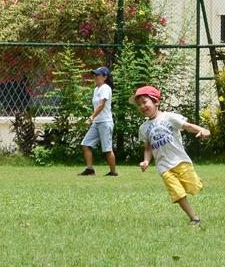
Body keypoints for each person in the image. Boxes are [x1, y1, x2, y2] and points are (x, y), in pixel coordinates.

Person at [135, 85, 210, 225]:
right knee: (178, 193)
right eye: (139, 104)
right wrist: (146, 161)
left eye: (144, 102)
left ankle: (198, 182)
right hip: (163, 166)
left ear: (156, 102)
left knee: (193, 187)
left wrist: (202, 130)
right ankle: (194, 218)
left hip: (180, 160)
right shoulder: (143, 128)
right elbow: (147, 147)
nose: (142, 106)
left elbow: (187, 126)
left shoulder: (169, 117)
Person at [78, 66, 117, 176]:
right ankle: (90, 170)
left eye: (98, 75)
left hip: (105, 122)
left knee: (107, 149)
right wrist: (94, 119)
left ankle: (113, 172)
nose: (95, 77)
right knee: (85, 144)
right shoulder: (96, 89)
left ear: (105, 77)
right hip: (97, 122)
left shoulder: (106, 88)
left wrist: (91, 118)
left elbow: (101, 106)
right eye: (94, 75)